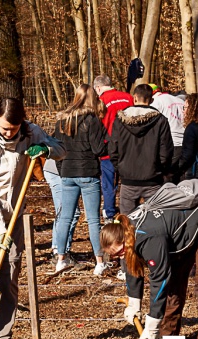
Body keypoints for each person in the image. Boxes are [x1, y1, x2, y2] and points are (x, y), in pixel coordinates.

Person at [0, 98, 65, 339]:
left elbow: (61, 149)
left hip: (14, 211)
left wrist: (45, 150)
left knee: (10, 270)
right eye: (5, 128)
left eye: (14, 128)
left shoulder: (29, 133)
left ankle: (3, 334)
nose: (9, 133)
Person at [100, 190, 198, 339]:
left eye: (120, 252)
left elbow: (160, 279)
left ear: (125, 240)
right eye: (115, 256)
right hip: (188, 228)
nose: (120, 257)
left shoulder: (148, 238)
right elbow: (133, 263)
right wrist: (134, 302)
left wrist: (151, 324)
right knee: (174, 283)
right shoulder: (127, 229)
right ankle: (166, 337)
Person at [53, 84, 109, 275]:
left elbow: (56, 149)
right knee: (93, 219)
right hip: (87, 172)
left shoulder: (62, 121)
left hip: (68, 172)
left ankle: (60, 258)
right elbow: (98, 149)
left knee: (65, 218)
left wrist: (62, 170)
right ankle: (99, 262)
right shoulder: (91, 120)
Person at [108, 83, 173, 215]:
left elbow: (113, 148)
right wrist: (159, 169)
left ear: (134, 97)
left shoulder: (120, 120)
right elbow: (165, 152)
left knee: (127, 223)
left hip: (129, 178)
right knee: (154, 222)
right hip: (152, 178)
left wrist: (120, 168)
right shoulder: (160, 120)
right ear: (151, 99)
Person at [93, 74, 134, 223]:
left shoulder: (101, 101)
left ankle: (109, 214)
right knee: (128, 181)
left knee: (109, 182)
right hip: (129, 145)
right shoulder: (128, 97)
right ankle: (129, 212)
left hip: (108, 147)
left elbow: (98, 124)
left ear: (98, 87)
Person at [149, 84, 185, 177]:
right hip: (185, 142)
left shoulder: (157, 102)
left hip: (171, 143)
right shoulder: (180, 100)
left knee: (168, 177)